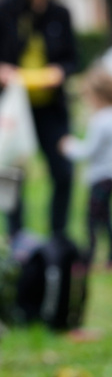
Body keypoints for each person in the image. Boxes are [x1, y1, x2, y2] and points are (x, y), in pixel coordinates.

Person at [0, 0, 80, 239]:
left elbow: (73, 59)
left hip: (49, 106)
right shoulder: (2, 8)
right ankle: (16, 240)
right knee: (11, 175)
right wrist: (0, 70)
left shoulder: (59, 14)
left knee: (63, 172)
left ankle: (58, 238)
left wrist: (59, 72)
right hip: (12, 106)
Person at [60, 60, 112, 266]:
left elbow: (88, 151)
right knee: (104, 217)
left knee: (92, 219)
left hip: (100, 176)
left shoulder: (99, 120)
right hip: (109, 175)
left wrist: (69, 147)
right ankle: (108, 256)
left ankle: (89, 256)